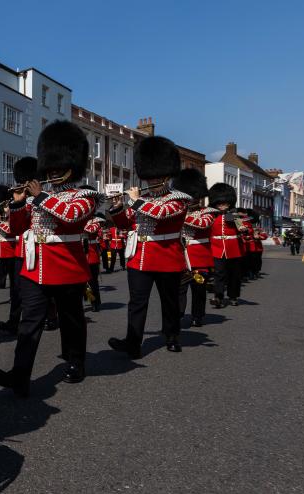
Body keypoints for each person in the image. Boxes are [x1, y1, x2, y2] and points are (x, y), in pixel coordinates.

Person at [0, 120, 99, 397]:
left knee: (72, 319)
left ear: (71, 168)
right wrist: (17, 204)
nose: (52, 173)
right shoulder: (36, 198)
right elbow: (16, 230)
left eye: (58, 168)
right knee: (30, 323)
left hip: (66, 267)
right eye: (49, 168)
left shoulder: (85, 195)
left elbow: (71, 217)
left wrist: (38, 198)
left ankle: (76, 362)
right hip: (34, 266)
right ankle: (20, 374)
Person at [107, 136, 190, 357]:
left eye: (156, 176)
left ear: (166, 175)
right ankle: (132, 343)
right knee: (137, 303)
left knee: (169, 302)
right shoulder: (141, 198)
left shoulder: (179, 199)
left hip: (167, 257)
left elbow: (161, 214)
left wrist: (135, 201)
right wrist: (117, 209)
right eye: (149, 176)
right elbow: (126, 224)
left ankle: (172, 336)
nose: (151, 180)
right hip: (140, 257)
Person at [0, 156, 37, 335]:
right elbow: (15, 229)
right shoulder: (20, 200)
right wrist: (17, 202)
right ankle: (14, 321)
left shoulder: (39, 199)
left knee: (39, 291)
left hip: (37, 250)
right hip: (20, 252)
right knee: (16, 291)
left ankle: (51, 318)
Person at [173, 168, 217, 327]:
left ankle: (197, 315)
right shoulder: (178, 210)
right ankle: (178, 314)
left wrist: (183, 216)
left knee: (198, 290)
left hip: (200, 258)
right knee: (180, 289)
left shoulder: (208, 212)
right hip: (181, 257)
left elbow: (203, 224)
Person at [207, 183, 245, 308]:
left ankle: (233, 296)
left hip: (233, 248)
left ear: (229, 203)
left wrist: (243, 228)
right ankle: (218, 296)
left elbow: (242, 228)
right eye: (220, 204)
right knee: (219, 274)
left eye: (225, 203)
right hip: (217, 248)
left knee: (234, 274)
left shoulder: (234, 215)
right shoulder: (211, 216)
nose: (222, 206)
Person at [82, 208, 105, 312]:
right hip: (79, 254)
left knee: (92, 282)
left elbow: (90, 230)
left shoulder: (96, 221)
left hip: (91, 255)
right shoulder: (80, 219)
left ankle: (95, 302)